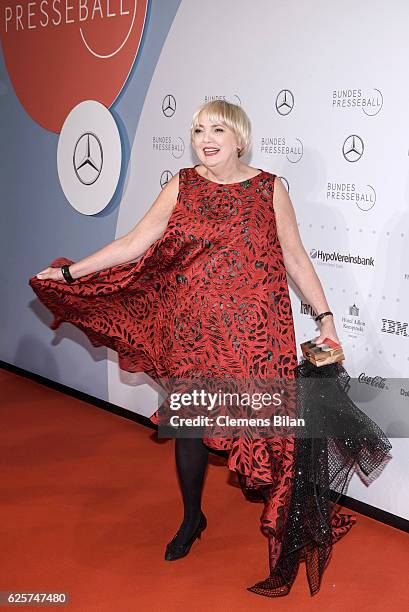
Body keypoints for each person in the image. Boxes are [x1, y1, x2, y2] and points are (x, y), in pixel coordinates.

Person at [29, 100, 391, 598]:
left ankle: (290, 523)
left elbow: (295, 257)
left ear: (239, 137)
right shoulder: (183, 183)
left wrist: (327, 319)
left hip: (257, 337)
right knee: (192, 424)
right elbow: (135, 242)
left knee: (273, 430)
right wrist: (71, 272)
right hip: (195, 334)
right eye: (198, 130)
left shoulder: (268, 188)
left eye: (217, 129)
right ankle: (191, 517)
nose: (206, 138)